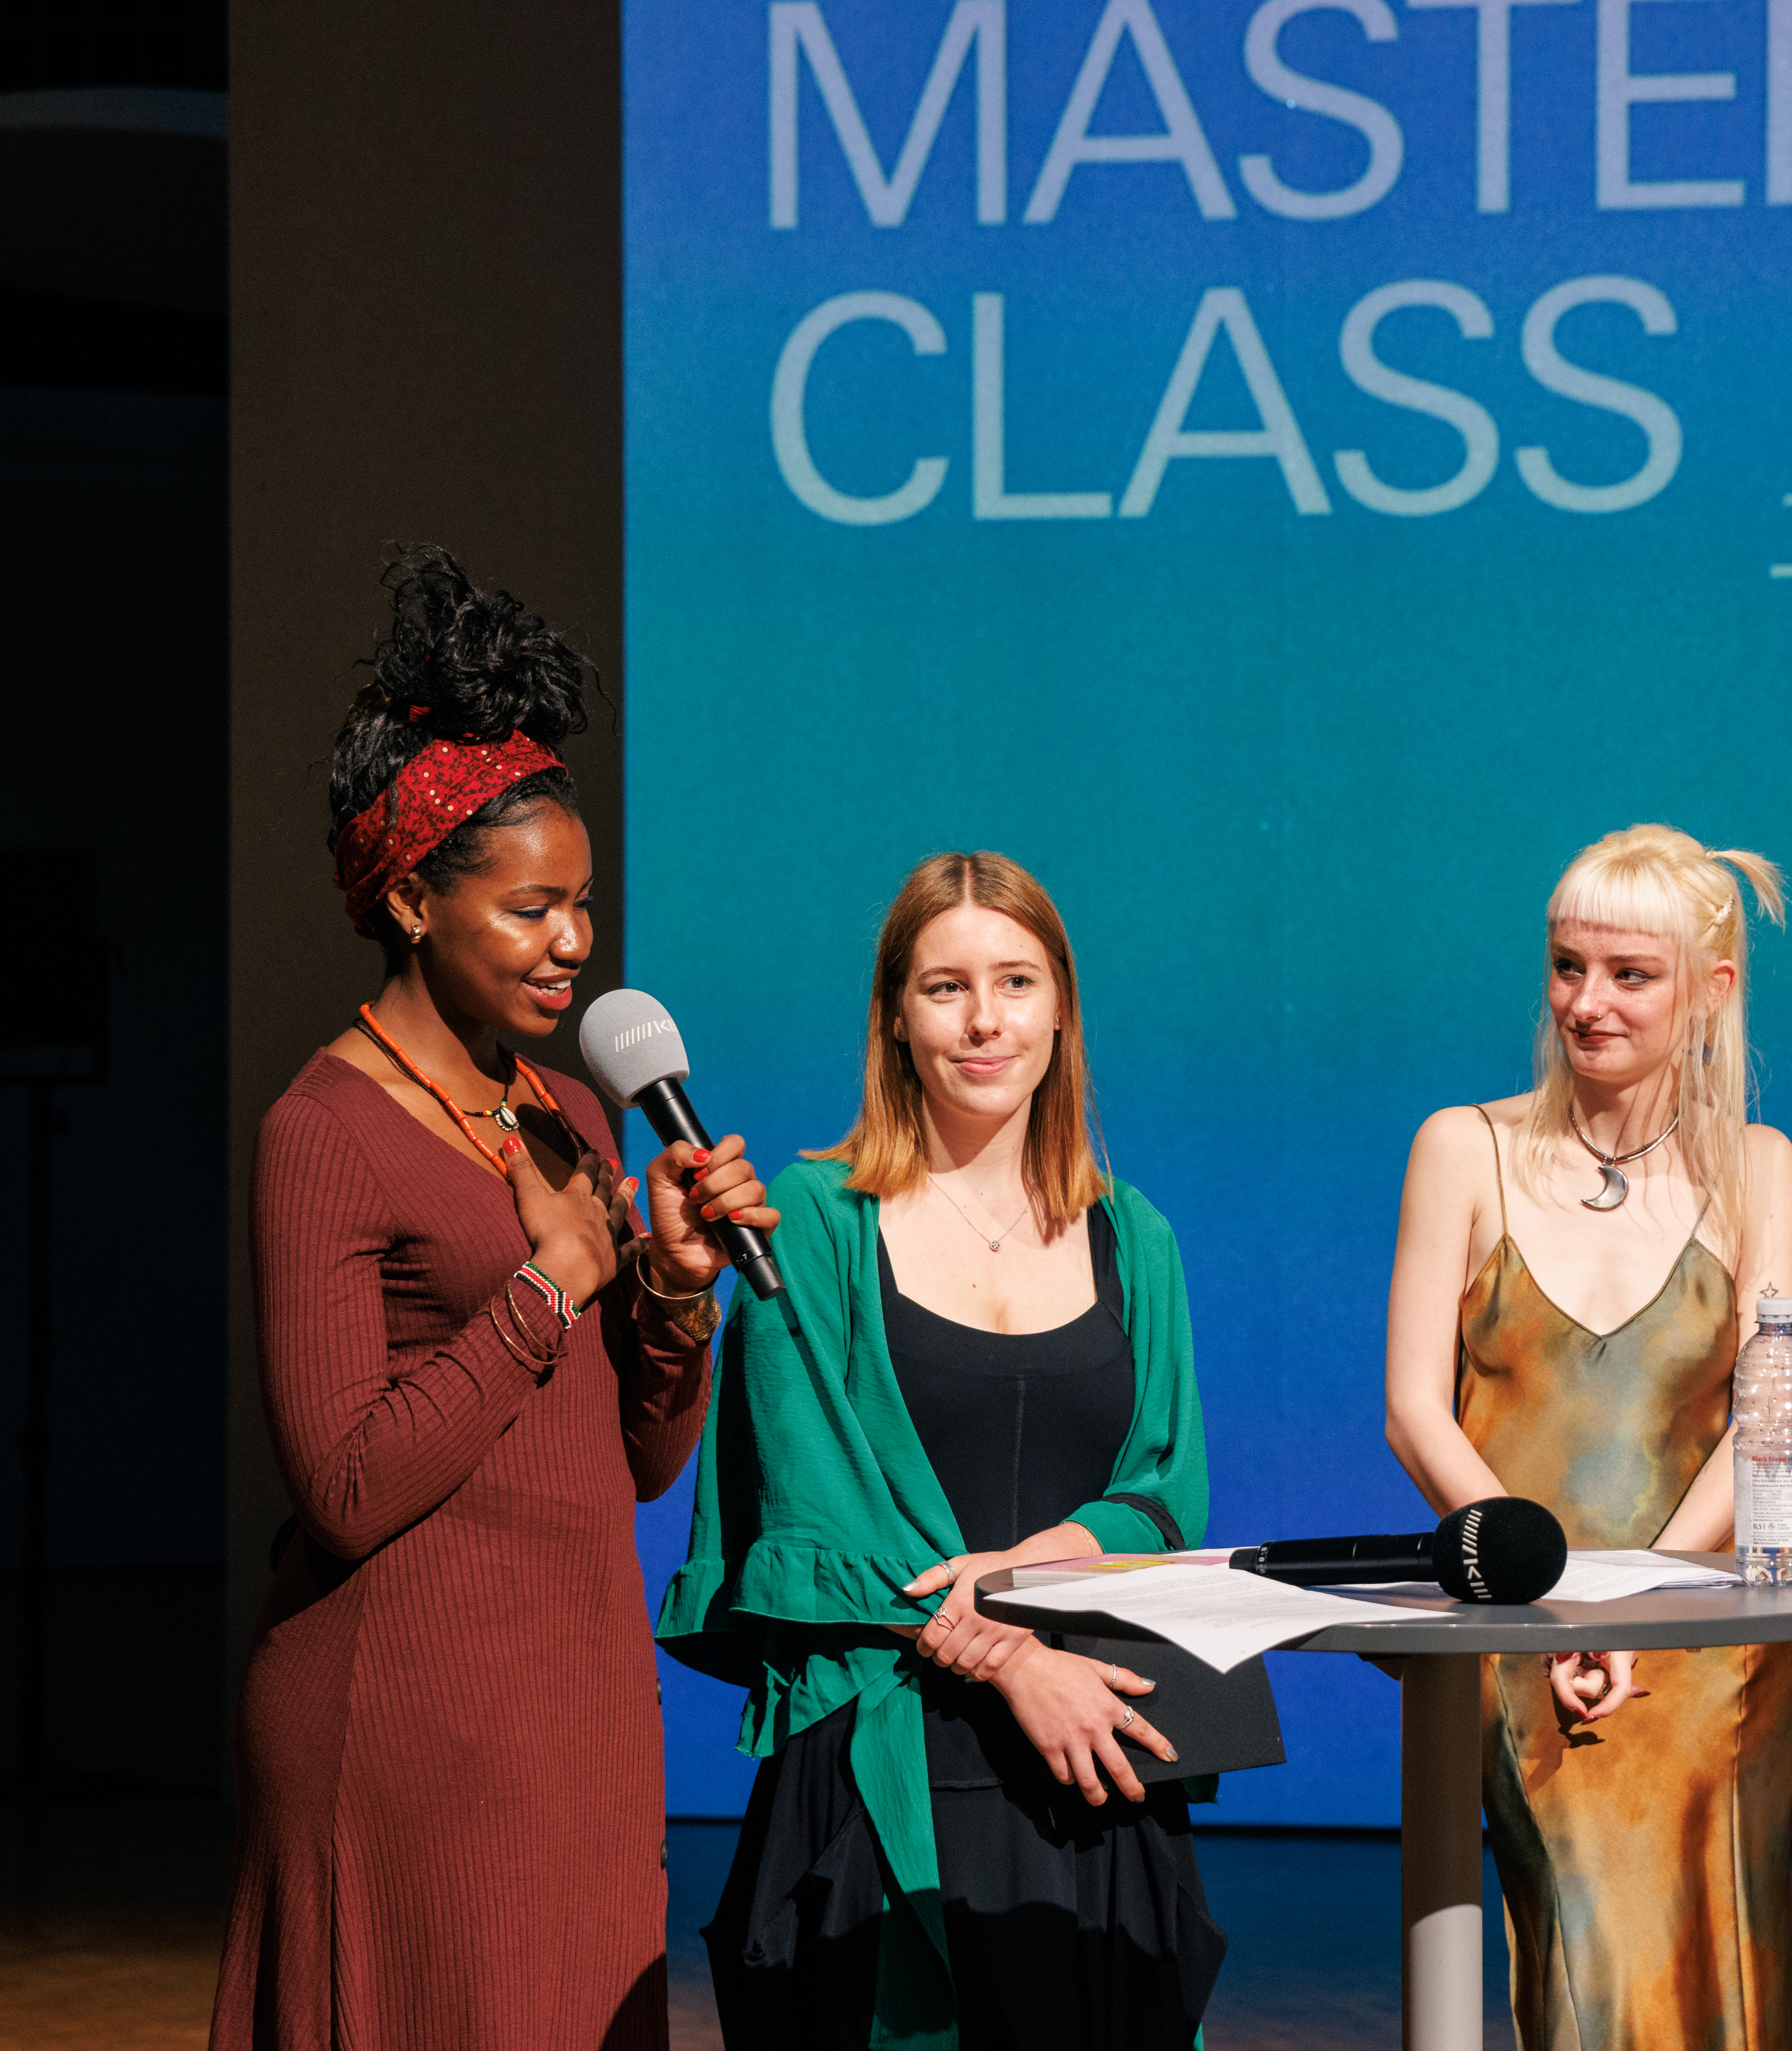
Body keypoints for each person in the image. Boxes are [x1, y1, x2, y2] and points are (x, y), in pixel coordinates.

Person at [210, 547, 774, 2051]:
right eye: (531, 909)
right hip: (408, 1708)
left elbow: (631, 1462)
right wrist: (548, 1286)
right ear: (408, 897)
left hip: (572, 1692)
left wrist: (666, 1295)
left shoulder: (568, 1115)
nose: (575, 944)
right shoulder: (321, 1130)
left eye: (582, 904)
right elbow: (339, 1483)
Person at [658, 850, 1227, 2051]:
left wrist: (1048, 1560)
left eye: (1015, 982)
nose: (984, 1021)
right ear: (894, 1019)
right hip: (887, 1761)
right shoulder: (809, 1221)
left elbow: (1165, 1488)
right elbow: (813, 1512)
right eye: (945, 988)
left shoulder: (1137, 1238)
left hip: (1089, 1766)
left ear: (1060, 1007)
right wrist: (1007, 1652)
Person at [1382, 823, 1792, 2050]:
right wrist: (1554, 1593)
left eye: (1630, 975)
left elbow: (1765, 1418)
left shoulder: (1758, 1168)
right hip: (1524, 1629)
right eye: (1569, 967)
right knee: (1586, 1970)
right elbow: (1417, 1410)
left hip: (1703, 1648)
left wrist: (1644, 1606)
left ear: (1711, 991)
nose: (1587, 1002)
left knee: (1722, 1971)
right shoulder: (1463, 1147)